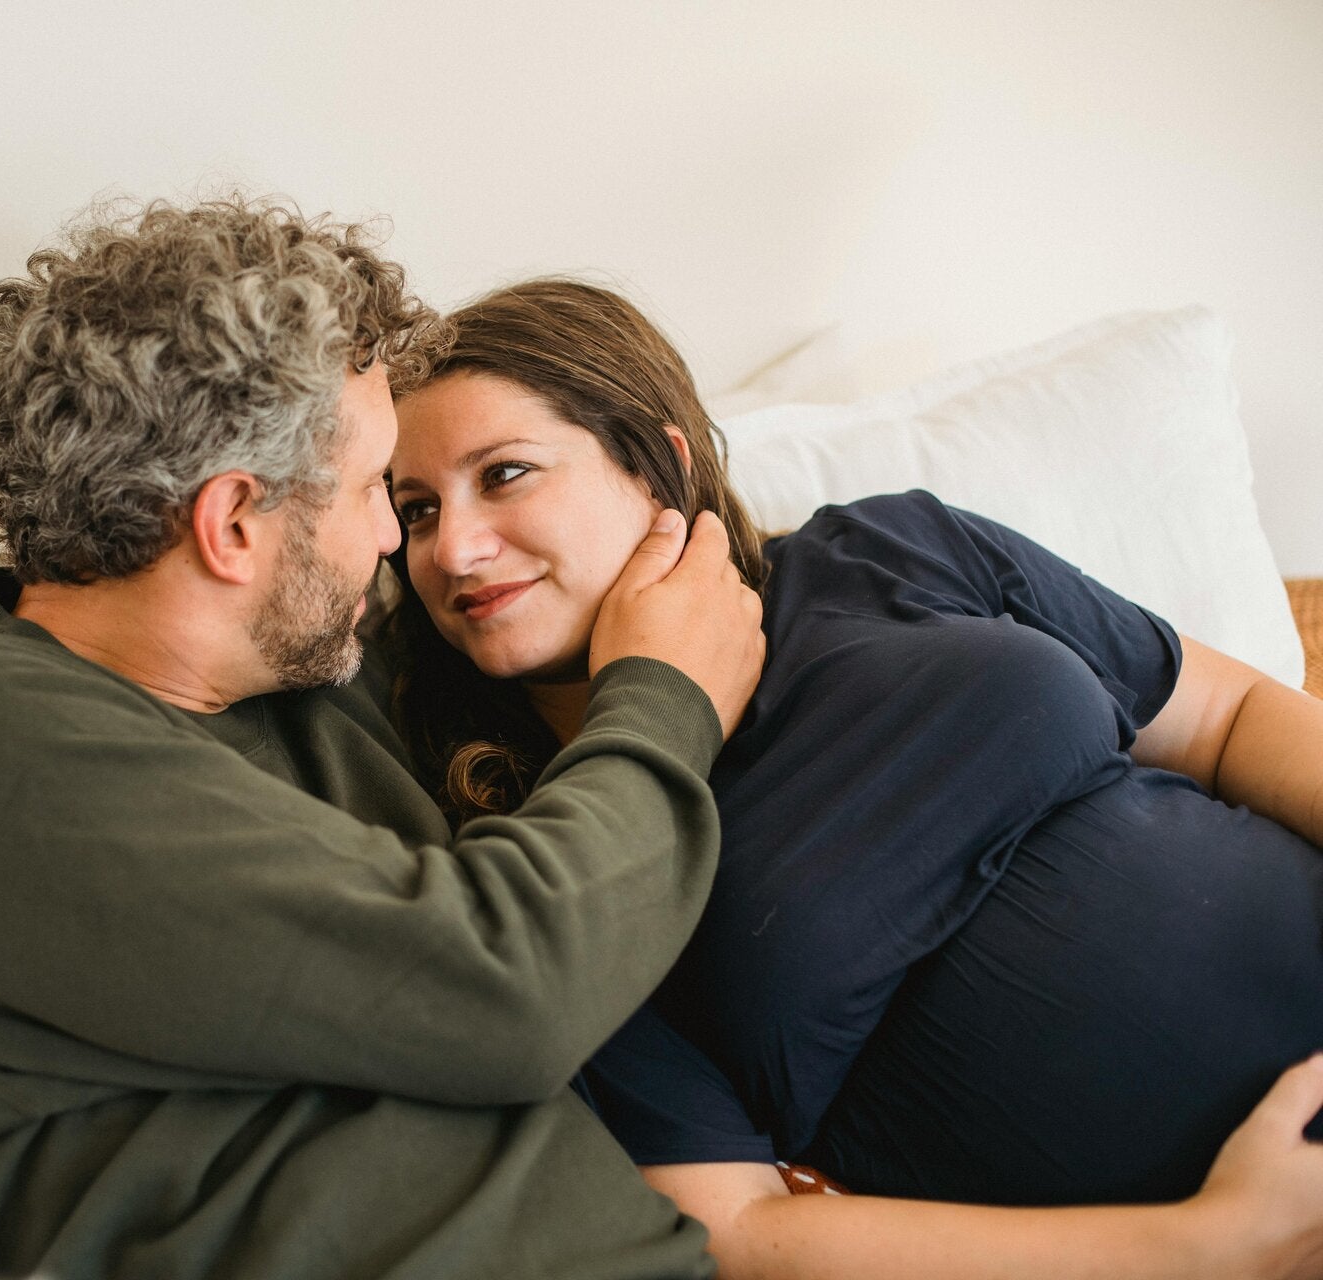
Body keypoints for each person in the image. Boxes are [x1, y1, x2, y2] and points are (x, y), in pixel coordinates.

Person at [0, 198, 769, 1280]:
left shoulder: (304, 683)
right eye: (372, 494)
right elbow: (508, 983)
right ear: (233, 523)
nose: (398, 542)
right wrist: (667, 695)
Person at [384, 277, 1323, 1280]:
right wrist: (1214, 1242)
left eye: (507, 473)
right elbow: (735, 1231)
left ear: (660, 462)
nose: (454, 547)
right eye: (416, 509)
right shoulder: (551, 857)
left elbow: (1228, 716)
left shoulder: (890, 547)